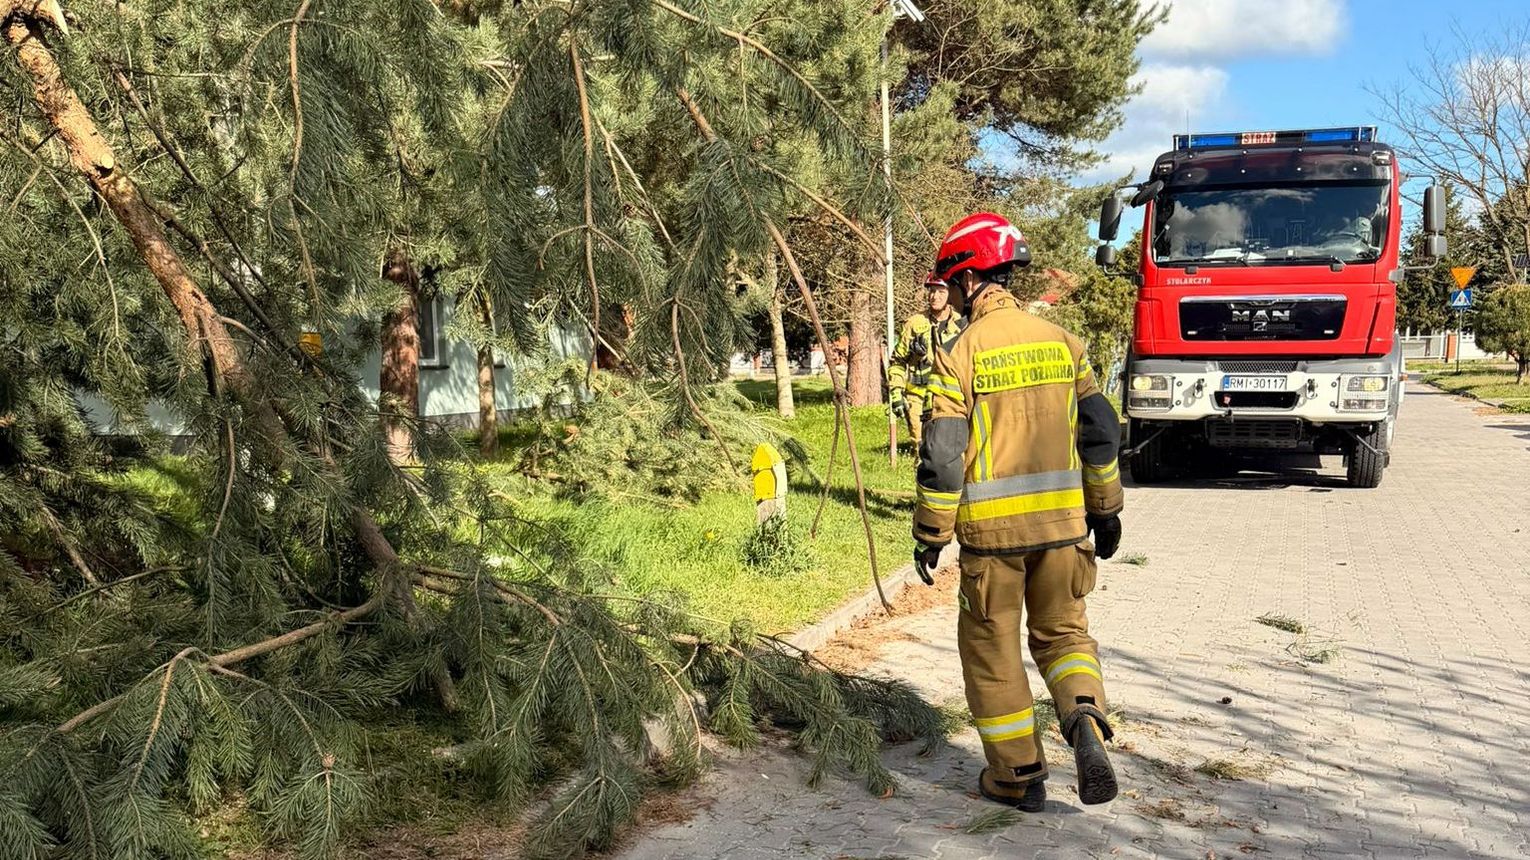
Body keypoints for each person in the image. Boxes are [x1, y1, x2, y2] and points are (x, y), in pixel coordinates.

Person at [911, 212, 1125, 812]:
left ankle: (1018, 777)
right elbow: (1101, 432)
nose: (949, 297)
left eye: (951, 284)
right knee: (1064, 636)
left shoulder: (960, 354)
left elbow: (945, 454)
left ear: (970, 279)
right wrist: (1105, 509)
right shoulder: (1065, 344)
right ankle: (1083, 716)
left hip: (992, 545)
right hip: (1064, 535)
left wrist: (931, 532)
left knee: (993, 648)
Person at [888, 272, 965, 449]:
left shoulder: (961, 324)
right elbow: (897, 361)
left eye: (940, 291)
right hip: (918, 399)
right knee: (921, 451)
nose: (934, 296)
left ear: (950, 294)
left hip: (950, 398)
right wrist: (896, 394)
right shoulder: (914, 324)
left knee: (952, 450)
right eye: (931, 291)